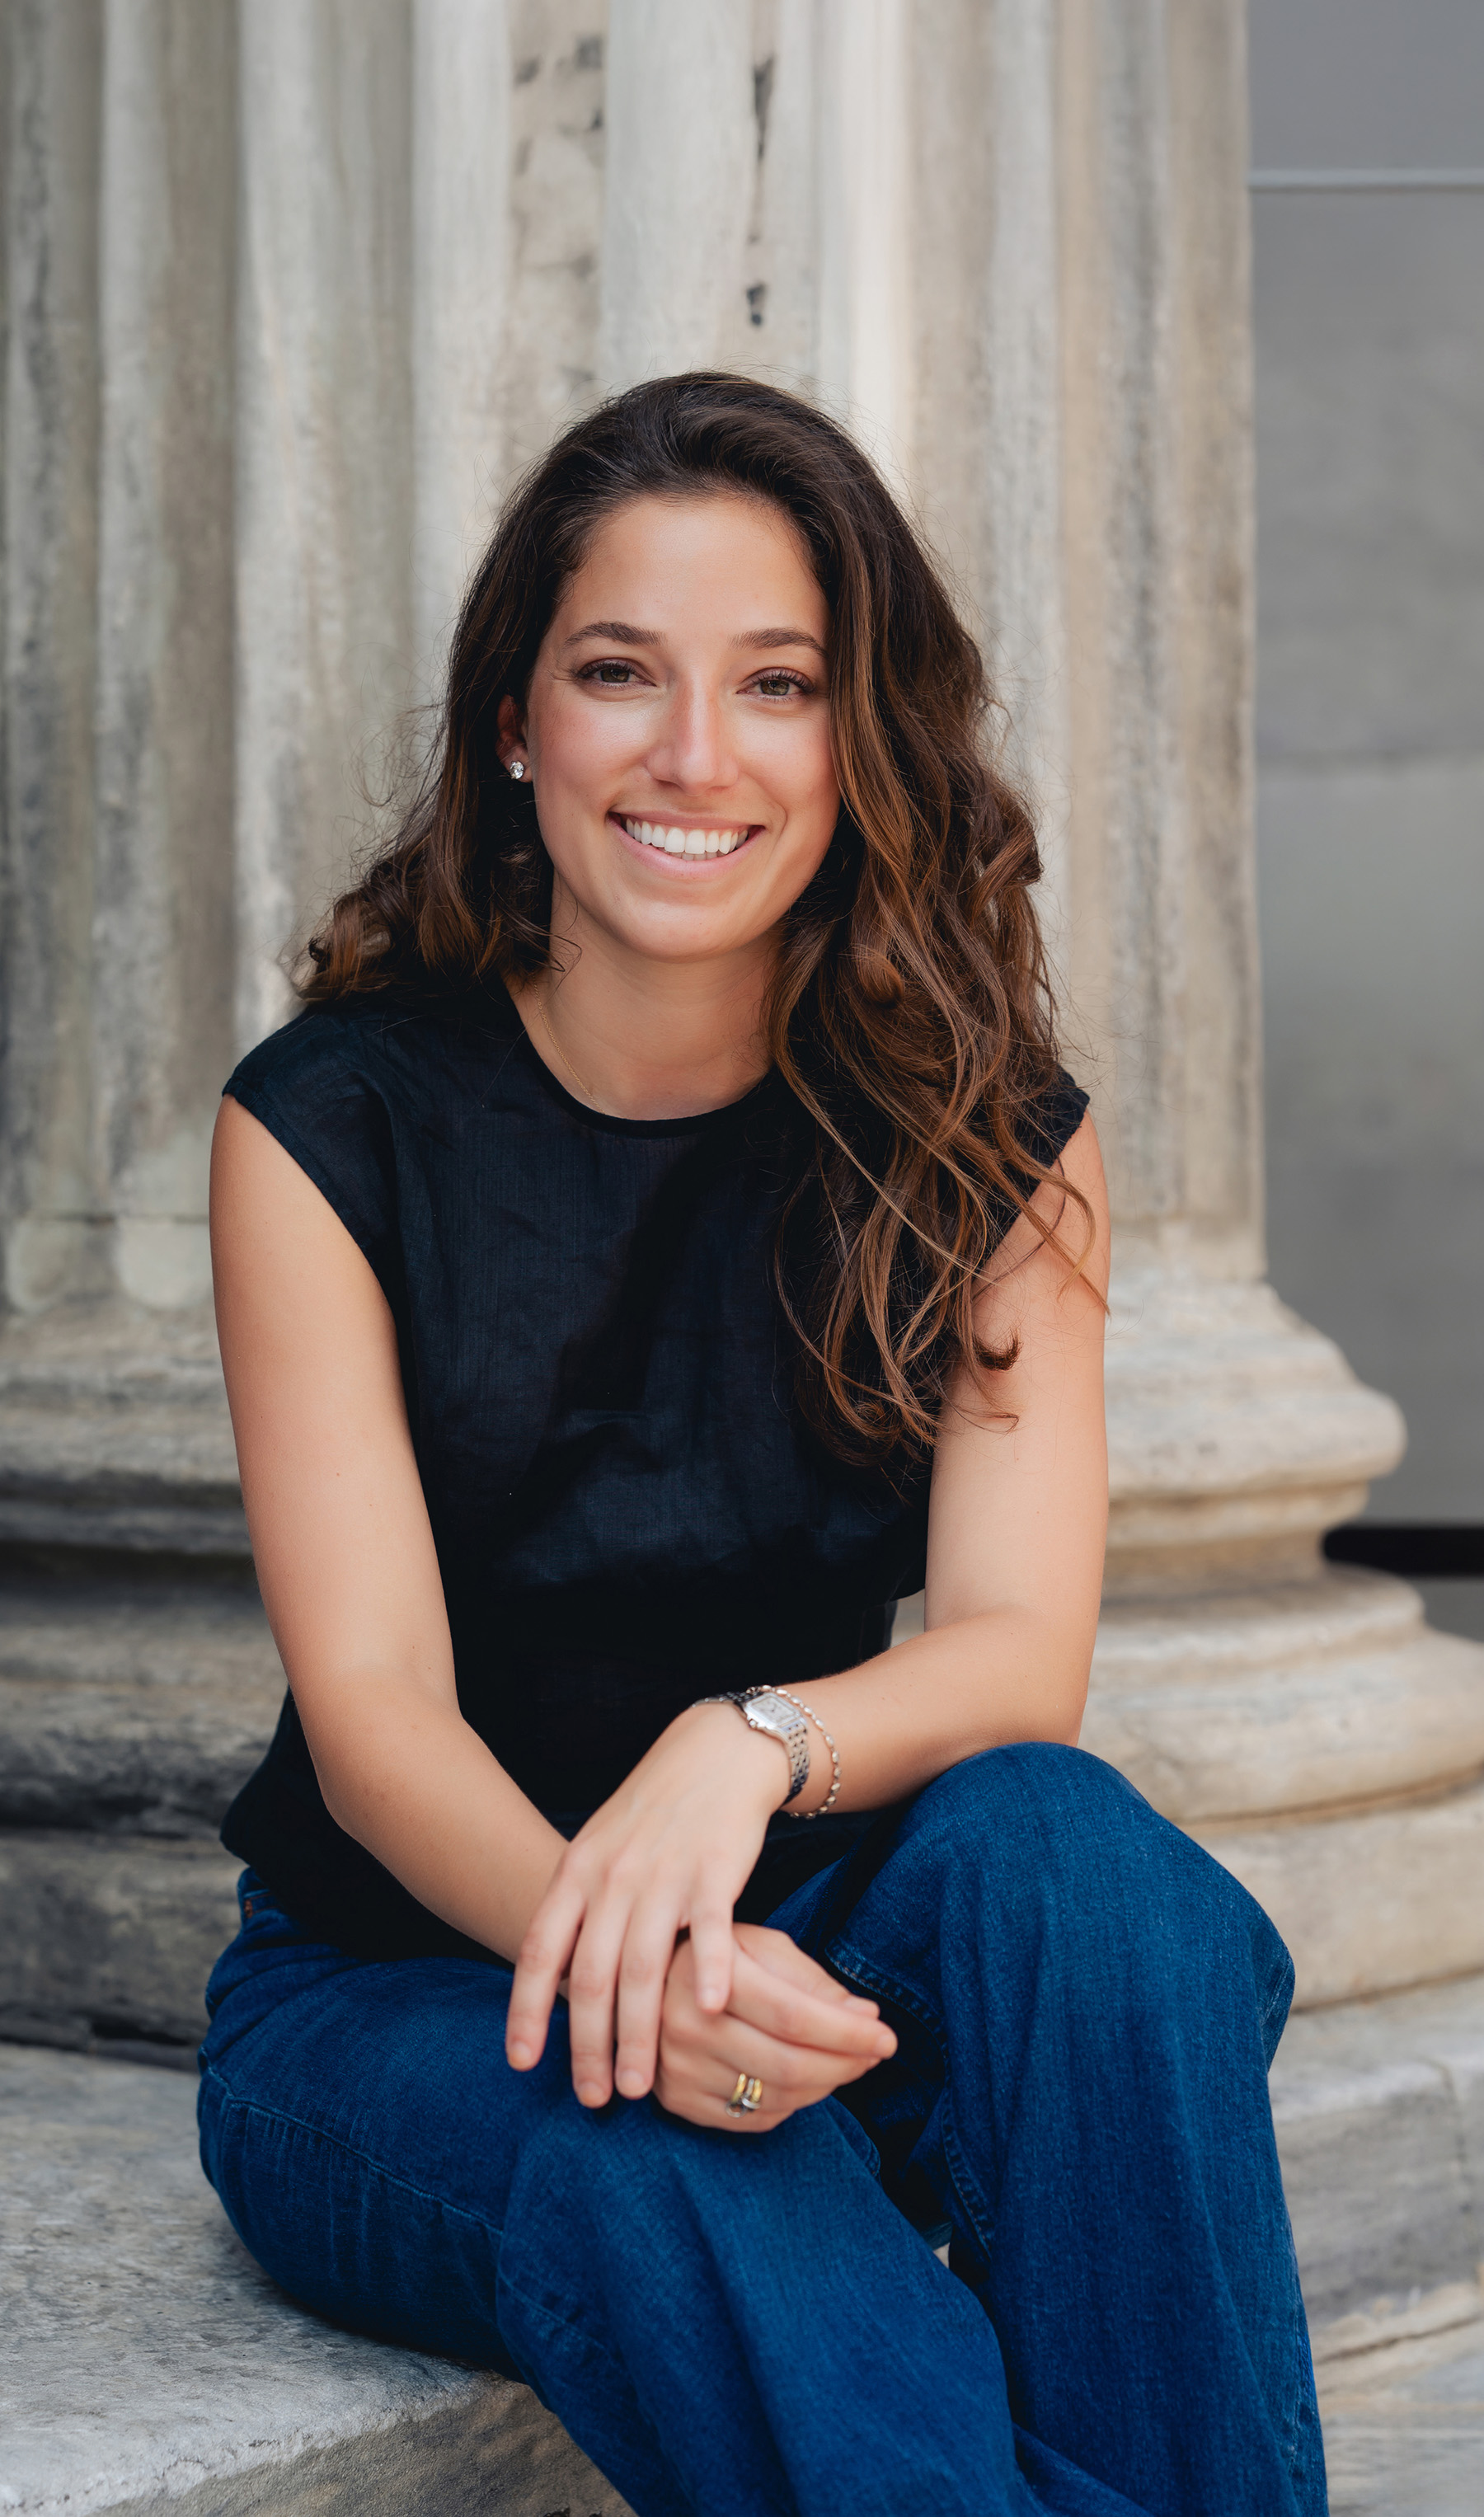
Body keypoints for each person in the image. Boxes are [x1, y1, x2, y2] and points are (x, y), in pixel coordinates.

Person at [199, 372, 1325, 2517]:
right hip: (405, 2002)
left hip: (817, 1918)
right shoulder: (332, 1124)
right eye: (621, 673)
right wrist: (641, 1971)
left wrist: (751, 1745)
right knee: (679, 2168)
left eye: (780, 685)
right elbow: (374, 1724)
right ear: (517, 726)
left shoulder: (992, 1142)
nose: (696, 756)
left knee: (1080, 1863)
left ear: (860, 738)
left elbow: (1012, 1655)